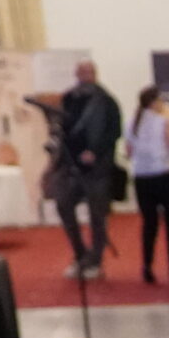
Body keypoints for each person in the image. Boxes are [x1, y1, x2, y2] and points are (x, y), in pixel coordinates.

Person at [52, 59, 121, 280]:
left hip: (97, 168)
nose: (85, 75)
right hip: (71, 166)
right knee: (63, 204)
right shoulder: (68, 98)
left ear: (95, 73)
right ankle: (80, 254)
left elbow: (114, 132)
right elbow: (63, 129)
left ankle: (95, 260)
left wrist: (95, 152)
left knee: (97, 215)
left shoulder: (107, 101)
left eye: (88, 71)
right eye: (81, 71)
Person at [126, 87, 169, 286]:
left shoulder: (131, 123)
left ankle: (147, 266)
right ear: (154, 102)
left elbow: (129, 152)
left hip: (142, 177)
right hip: (163, 174)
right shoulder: (163, 122)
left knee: (149, 223)